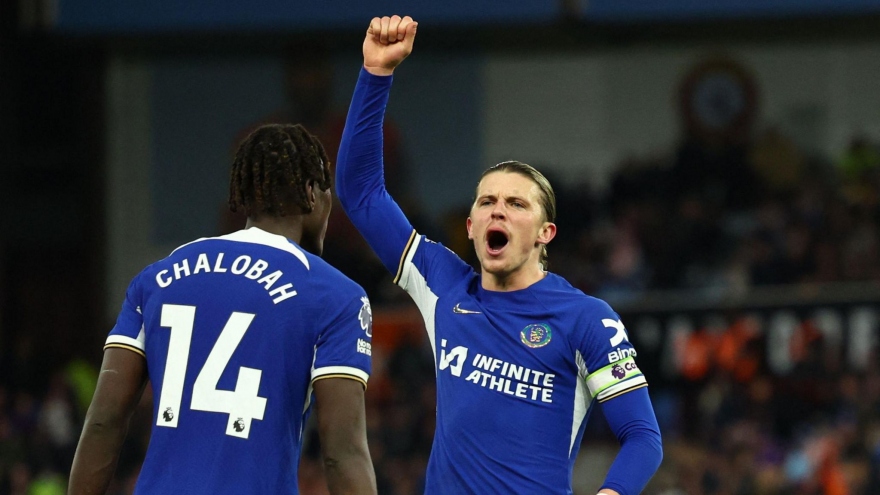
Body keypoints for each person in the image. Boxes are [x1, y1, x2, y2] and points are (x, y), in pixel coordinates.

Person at [336, 16, 663, 495]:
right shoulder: (443, 285)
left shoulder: (587, 319)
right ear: (471, 227)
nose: (498, 211)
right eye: (487, 201)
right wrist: (375, 74)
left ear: (545, 233)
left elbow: (643, 437)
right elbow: (360, 192)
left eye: (516, 204)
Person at [68, 124, 377, 495]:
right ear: (312, 194)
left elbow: (104, 421)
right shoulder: (335, 295)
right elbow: (342, 453)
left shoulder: (156, 278)